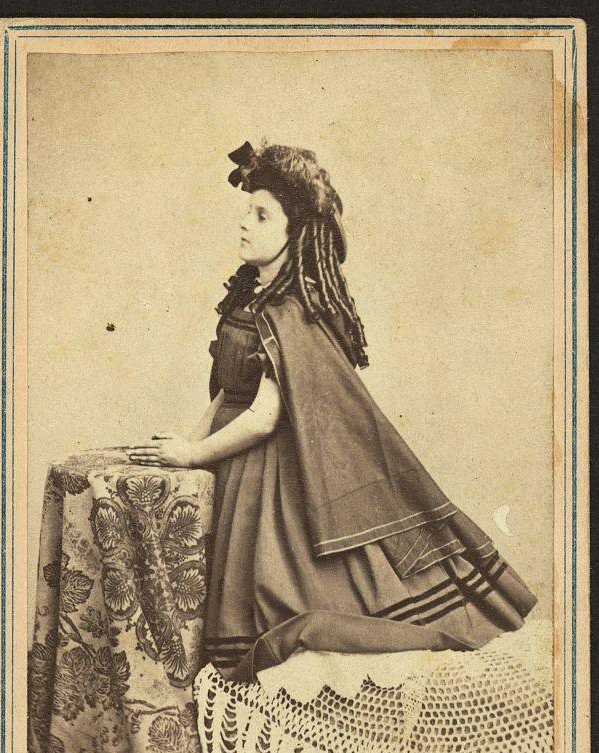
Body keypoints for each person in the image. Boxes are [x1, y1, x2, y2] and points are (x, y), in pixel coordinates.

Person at [129, 141, 537, 682]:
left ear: (296, 230)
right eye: (246, 211)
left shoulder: (294, 309)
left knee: (281, 595)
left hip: (269, 473)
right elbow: (228, 393)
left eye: (261, 215)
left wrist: (192, 455)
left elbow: (264, 418)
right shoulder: (250, 298)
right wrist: (187, 444)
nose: (245, 224)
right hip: (226, 459)